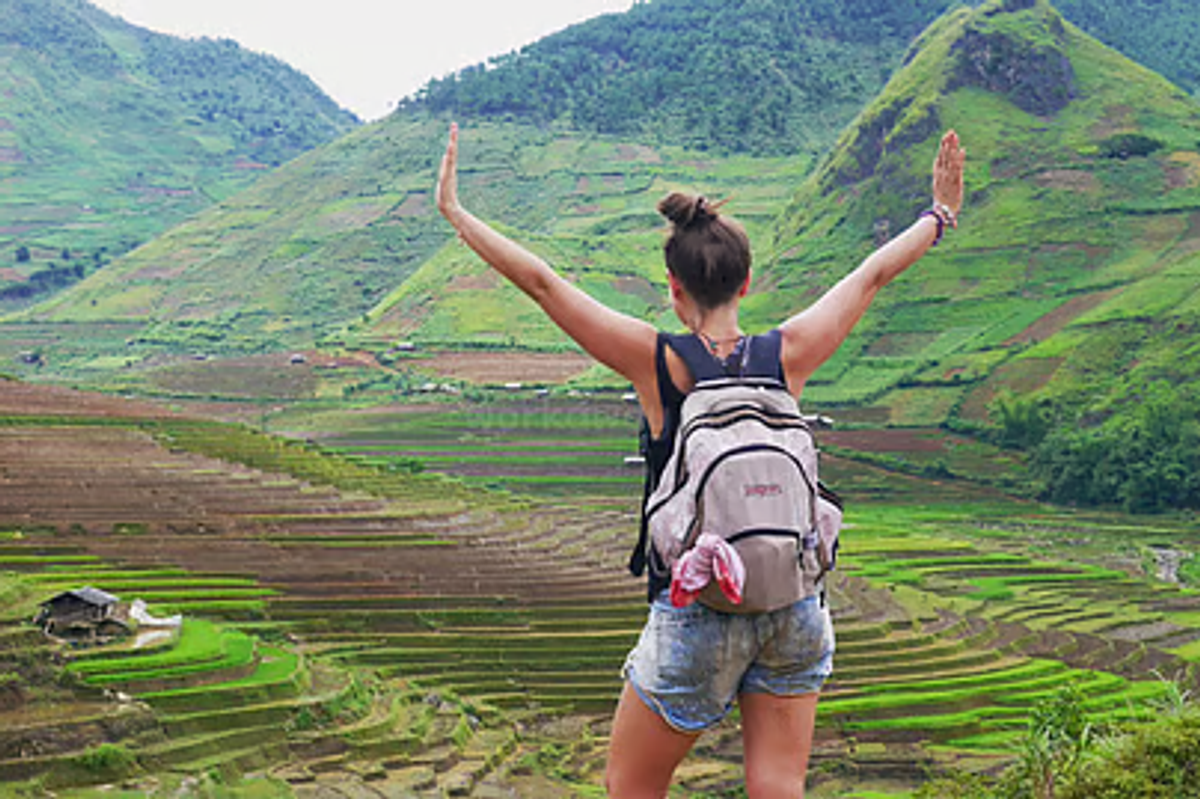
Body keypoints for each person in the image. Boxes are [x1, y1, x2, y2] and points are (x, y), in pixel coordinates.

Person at [436, 122, 966, 799]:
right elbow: (871, 274)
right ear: (747, 282)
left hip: (697, 612)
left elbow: (542, 283)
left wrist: (457, 213)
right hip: (794, 601)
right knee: (778, 784)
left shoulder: (655, 361)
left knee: (631, 785)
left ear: (672, 287)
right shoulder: (791, 353)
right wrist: (938, 215)